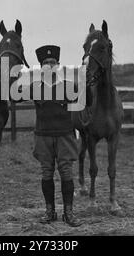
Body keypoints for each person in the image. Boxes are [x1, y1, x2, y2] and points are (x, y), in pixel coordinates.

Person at [18, 45, 84, 227]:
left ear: (58, 65)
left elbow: (89, 98)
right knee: (46, 173)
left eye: (52, 62)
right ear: (41, 67)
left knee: (66, 173)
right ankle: (50, 211)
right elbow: (14, 96)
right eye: (45, 63)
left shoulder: (71, 86)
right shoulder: (34, 87)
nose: (49, 65)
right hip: (43, 136)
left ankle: (68, 213)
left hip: (64, 135)